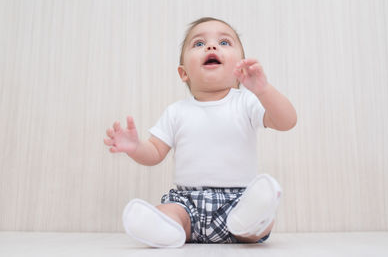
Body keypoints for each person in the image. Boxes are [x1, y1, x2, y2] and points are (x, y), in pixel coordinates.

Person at [104, 17, 297, 247]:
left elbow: (287, 121)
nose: (212, 46)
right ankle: (167, 228)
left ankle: (249, 223)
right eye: (198, 44)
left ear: (240, 68)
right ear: (184, 73)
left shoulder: (246, 102)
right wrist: (136, 148)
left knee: (260, 223)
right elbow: (155, 152)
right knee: (169, 211)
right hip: (188, 203)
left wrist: (263, 90)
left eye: (224, 42)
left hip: (239, 202)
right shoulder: (176, 112)